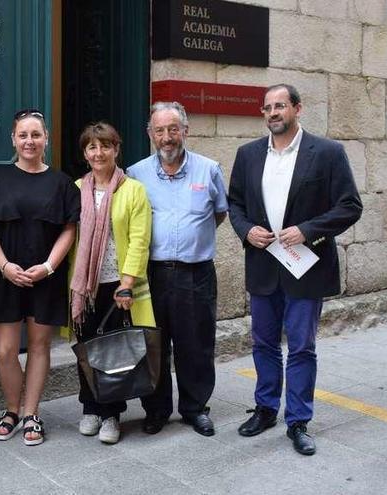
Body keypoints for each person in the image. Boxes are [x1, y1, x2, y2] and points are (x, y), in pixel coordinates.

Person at [228, 84, 362, 455]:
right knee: (264, 343)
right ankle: (266, 408)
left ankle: (299, 421)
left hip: (306, 266)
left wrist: (308, 231)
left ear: (297, 109)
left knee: (301, 347)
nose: (273, 113)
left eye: (281, 106)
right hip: (263, 265)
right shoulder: (249, 154)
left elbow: (350, 206)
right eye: (268, 107)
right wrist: (246, 230)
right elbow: (235, 203)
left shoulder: (328, 153)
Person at [126, 101, 228, 437]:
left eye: (173, 129)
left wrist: (191, 239)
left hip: (196, 273)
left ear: (185, 130)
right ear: (150, 134)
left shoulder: (209, 169)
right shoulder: (136, 173)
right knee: (152, 344)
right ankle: (156, 410)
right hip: (152, 275)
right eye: (160, 130)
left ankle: (195, 408)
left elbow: (219, 213)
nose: (167, 137)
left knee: (196, 345)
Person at [0, 109, 79, 446]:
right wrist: (4, 265)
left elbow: (69, 229)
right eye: (23, 135)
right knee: (6, 350)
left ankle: (31, 413)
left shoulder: (62, 183)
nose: (29, 141)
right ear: (13, 139)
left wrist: (49, 266)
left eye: (36, 135)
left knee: (39, 346)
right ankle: (11, 409)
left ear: (46, 139)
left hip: (45, 276)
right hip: (5, 274)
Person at [69, 122, 155, 444]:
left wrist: (127, 283)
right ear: (85, 153)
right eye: (92, 147)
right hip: (84, 288)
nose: (99, 152)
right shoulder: (76, 189)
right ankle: (89, 407)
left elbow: (139, 240)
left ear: (116, 149)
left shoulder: (133, 190)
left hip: (116, 286)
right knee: (86, 348)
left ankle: (111, 414)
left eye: (105, 146)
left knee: (113, 353)